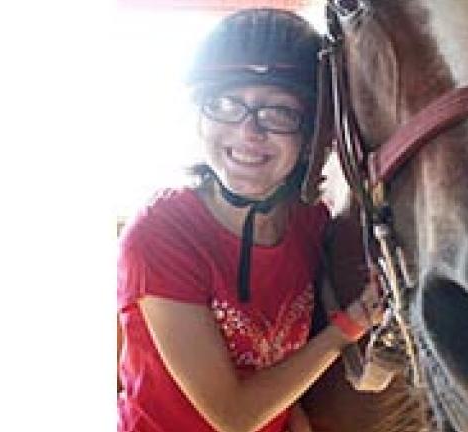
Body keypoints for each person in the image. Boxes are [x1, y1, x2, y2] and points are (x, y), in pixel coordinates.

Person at [117, 9, 381, 432]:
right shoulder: (160, 234)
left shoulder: (308, 222)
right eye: (225, 105)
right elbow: (234, 416)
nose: (248, 132)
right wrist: (347, 327)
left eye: (278, 113)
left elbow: (275, 363)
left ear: (311, 133)